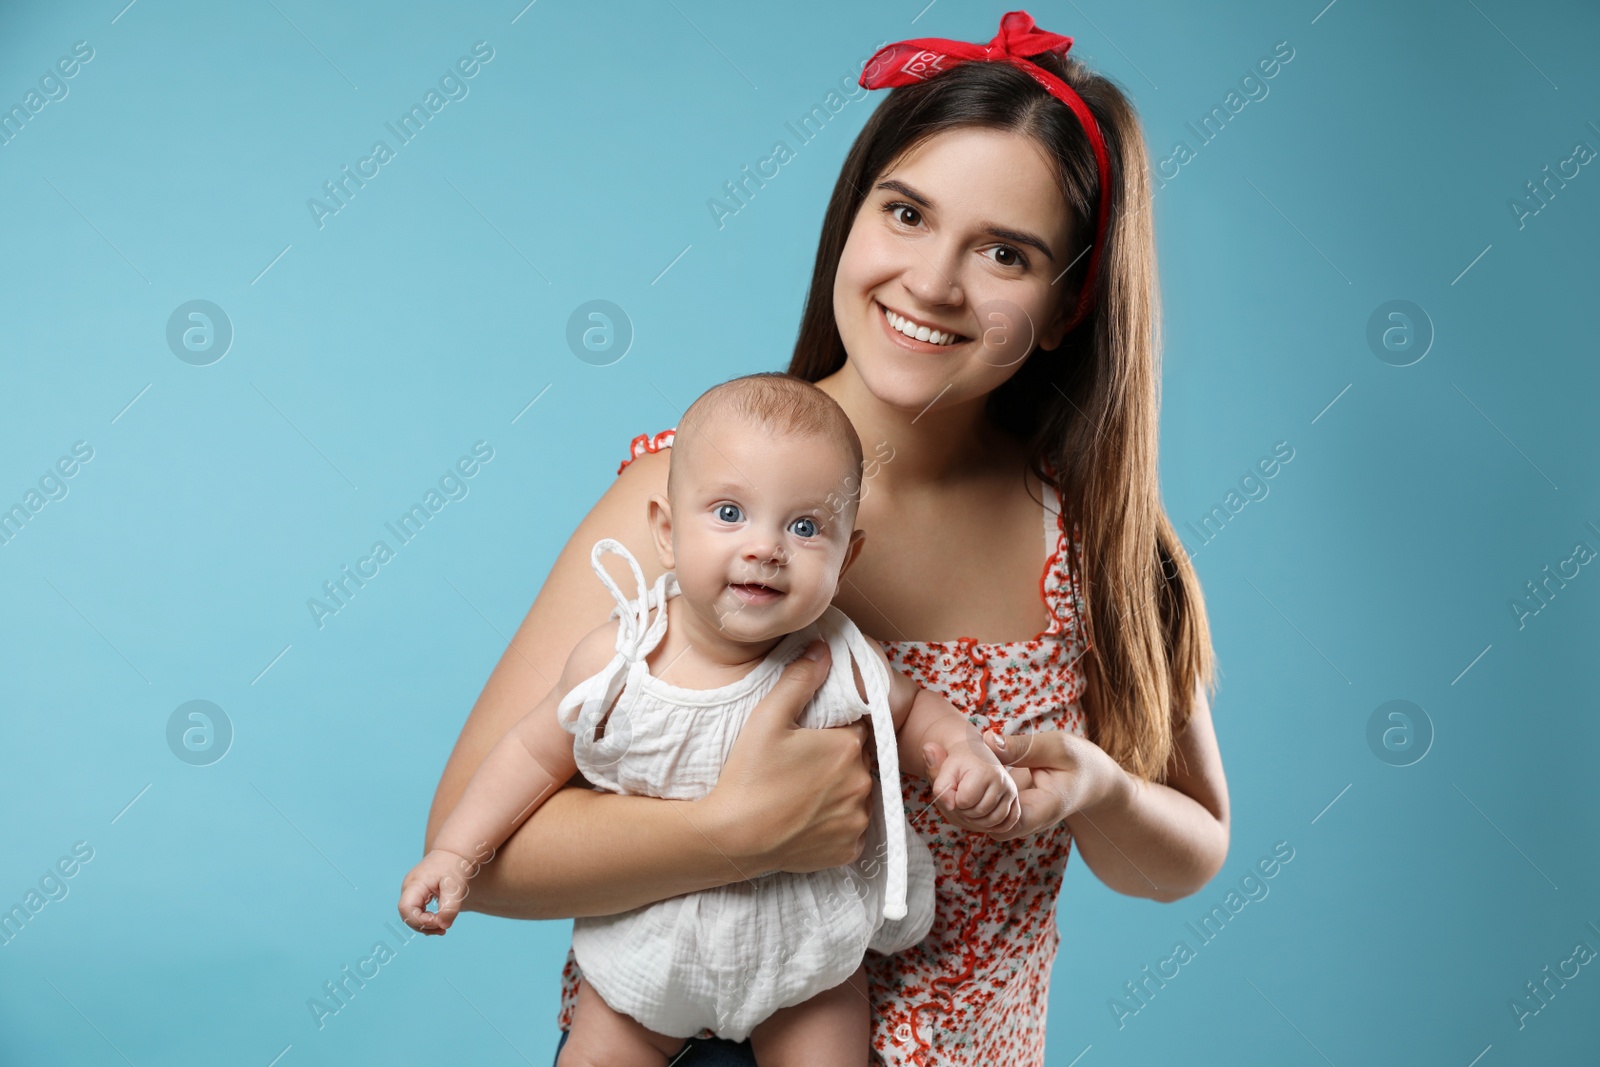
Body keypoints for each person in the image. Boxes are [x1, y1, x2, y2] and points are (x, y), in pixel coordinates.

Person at [423, 10, 1231, 1066]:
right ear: (851, 216)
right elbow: (481, 846)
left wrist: (1097, 785)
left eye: (1003, 252)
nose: (933, 282)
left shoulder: (1101, 543)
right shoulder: (687, 495)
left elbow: (1186, 855)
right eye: (905, 213)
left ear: (1068, 301)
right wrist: (731, 830)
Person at [399, 376, 1025, 1065]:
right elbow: (531, 754)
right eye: (730, 512)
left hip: (805, 967)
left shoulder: (840, 656)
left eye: (805, 526)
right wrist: (458, 853)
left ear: (847, 559)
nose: (765, 547)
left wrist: (961, 753)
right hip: (648, 955)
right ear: (666, 532)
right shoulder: (621, 659)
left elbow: (912, 712)